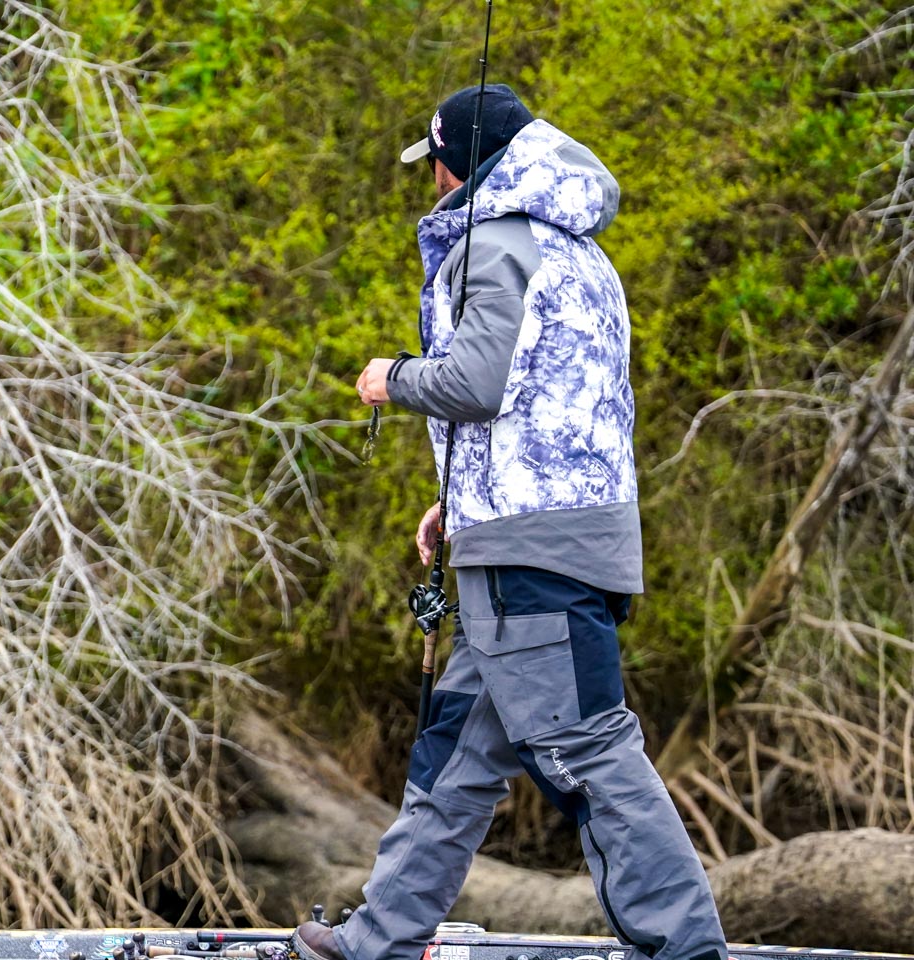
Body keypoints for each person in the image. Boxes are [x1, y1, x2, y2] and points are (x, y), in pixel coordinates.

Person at [292, 85, 727, 960]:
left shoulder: (493, 243)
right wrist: (459, 500)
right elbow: (556, 403)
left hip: (533, 553)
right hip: (550, 535)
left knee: (589, 754)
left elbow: (478, 382)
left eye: (436, 164)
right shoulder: (578, 252)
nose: (432, 181)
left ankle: (688, 949)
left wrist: (392, 377)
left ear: (457, 164)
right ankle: (378, 938)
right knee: (455, 753)